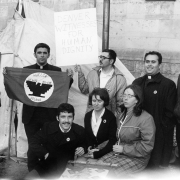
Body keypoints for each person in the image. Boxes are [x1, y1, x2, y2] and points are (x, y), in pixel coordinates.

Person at [4, 43, 74, 171]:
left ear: (48, 54)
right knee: (33, 144)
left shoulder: (56, 71)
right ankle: (32, 171)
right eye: (39, 52)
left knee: (50, 144)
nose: (42, 55)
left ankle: (48, 171)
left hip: (49, 115)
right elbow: (18, 88)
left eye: (44, 53)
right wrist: (7, 76)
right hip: (31, 117)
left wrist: (69, 78)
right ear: (34, 54)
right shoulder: (26, 70)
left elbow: (61, 90)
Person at [98, 84, 155, 177]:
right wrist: (99, 147)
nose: (125, 98)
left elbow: (147, 146)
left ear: (137, 99)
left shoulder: (146, 118)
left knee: (111, 173)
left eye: (129, 96)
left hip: (137, 158)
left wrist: (124, 149)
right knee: (99, 165)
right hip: (119, 153)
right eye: (124, 95)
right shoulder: (120, 115)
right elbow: (115, 138)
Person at [133, 51, 176, 169]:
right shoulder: (137, 83)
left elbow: (169, 112)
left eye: (153, 62)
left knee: (154, 169)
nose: (149, 64)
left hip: (158, 135)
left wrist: (160, 129)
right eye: (147, 61)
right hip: (138, 134)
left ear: (160, 65)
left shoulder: (168, 84)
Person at [26, 103, 86, 179]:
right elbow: (33, 141)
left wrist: (83, 148)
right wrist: (44, 153)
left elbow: (86, 143)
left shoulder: (79, 130)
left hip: (65, 167)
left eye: (69, 117)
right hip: (46, 165)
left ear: (73, 118)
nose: (66, 121)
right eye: (63, 117)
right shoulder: (48, 127)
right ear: (57, 118)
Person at [72, 49, 127, 116]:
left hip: (108, 117)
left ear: (111, 61)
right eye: (100, 57)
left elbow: (120, 102)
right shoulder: (93, 73)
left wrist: (116, 119)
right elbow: (84, 89)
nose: (100, 59)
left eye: (103, 58)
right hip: (92, 114)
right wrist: (80, 73)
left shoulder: (120, 79)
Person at [83, 88, 117, 160]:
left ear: (105, 101)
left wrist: (99, 153)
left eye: (99, 101)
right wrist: (89, 148)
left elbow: (112, 140)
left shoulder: (110, 117)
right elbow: (87, 136)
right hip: (90, 152)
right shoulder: (87, 116)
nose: (96, 104)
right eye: (94, 101)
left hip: (106, 152)